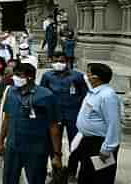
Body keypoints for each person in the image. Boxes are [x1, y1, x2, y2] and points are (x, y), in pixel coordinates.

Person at [0, 62, 63, 184]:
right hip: (13, 146)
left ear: (30, 77)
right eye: (15, 75)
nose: (15, 78)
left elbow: (53, 127)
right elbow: (7, 118)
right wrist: (1, 141)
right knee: (9, 178)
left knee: (36, 179)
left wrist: (57, 155)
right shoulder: (11, 92)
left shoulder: (46, 96)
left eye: (19, 75)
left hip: (36, 149)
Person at [40, 52, 87, 180]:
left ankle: (72, 170)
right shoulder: (47, 76)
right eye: (55, 61)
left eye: (61, 61)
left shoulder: (77, 76)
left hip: (73, 114)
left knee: (75, 143)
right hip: (54, 114)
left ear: (67, 62)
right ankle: (56, 168)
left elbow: (85, 95)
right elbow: (41, 94)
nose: (58, 63)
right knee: (53, 142)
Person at [75, 63, 122, 184]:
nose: (86, 76)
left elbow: (114, 123)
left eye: (88, 73)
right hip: (87, 141)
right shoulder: (93, 92)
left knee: (100, 178)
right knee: (86, 175)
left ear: (95, 77)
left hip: (99, 143)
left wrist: (108, 148)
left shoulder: (108, 96)